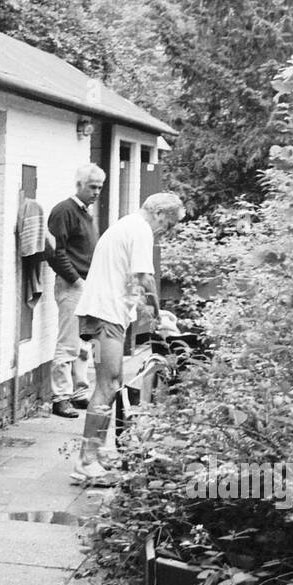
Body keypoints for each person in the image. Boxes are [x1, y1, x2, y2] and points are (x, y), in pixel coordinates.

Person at [72, 192, 186, 483]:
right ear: (159, 215)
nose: (167, 232)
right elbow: (144, 278)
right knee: (107, 384)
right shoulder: (141, 230)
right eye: (170, 225)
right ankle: (86, 462)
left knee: (111, 383)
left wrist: (145, 312)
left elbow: (129, 284)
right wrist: (159, 315)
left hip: (100, 316)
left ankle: (95, 454)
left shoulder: (126, 225)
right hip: (104, 317)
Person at [45, 164, 105, 418]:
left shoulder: (85, 212)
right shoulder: (64, 211)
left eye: (100, 187)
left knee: (84, 342)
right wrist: (76, 280)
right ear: (79, 185)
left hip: (87, 284)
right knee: (68, 343)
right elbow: (54, 252)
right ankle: (60, 398)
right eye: (92, 187)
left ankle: (79, 392)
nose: (97, 192)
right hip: (73, 285)